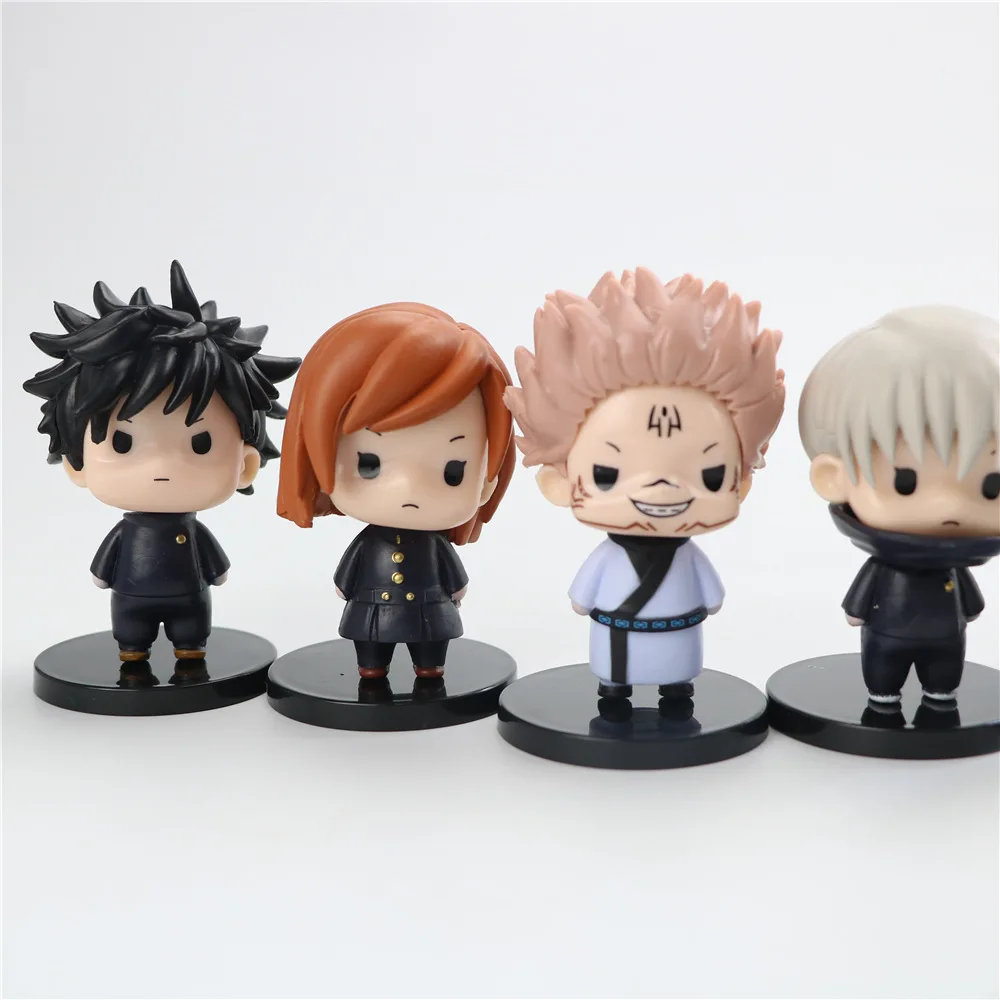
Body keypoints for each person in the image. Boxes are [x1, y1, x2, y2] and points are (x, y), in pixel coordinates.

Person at [504, 269, 785, 699]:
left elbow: (705, 597)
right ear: (558, 482)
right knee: (614, 680)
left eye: (710, 476)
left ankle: (675, 696)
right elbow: (584, 598)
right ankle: (615, 696)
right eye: (608, 474)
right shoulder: (613, 559)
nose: (660, 490)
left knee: (677, 679)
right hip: (617, 637)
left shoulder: (685, 558)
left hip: (676, 636)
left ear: (740, 485)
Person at [23, 261, 300, 662]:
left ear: (246, 466)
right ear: (76, 466)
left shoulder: (191, 531)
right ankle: (132, 651)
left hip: (189, 599)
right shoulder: (127, 534)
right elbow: (104, 570)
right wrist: (102, 575)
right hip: (131, 599)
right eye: (122, 444)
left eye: (200, 444)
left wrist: (217, 572)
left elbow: (215, 566)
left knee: (191, 631)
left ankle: (189, 651)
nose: (161, 469)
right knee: (131, 634)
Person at [276, 303, 515, 679]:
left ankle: (429, 669)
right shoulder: (369, 543)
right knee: (371, 651)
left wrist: (455, 592)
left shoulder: (435, 546)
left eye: (453, 471)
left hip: (429, 610)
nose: (408, 487)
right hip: (373, 611)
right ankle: (371, 669)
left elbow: (455, 582)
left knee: (430, 651)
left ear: (487, 482)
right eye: (369, 463)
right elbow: (345, 581)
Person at [799, 305, 1000, 704]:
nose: (948, 506)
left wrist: (970, 609)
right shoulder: (884, 569)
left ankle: (940, 693)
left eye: (990, 486)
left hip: (946, 636)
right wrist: (857, 612)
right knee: (883, 676)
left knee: (943, 675)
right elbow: (859, 605)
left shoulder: (955, 569)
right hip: (887, 635)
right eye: (904, 482)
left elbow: (970, 604)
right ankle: (883, 695)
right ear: (834, 477)